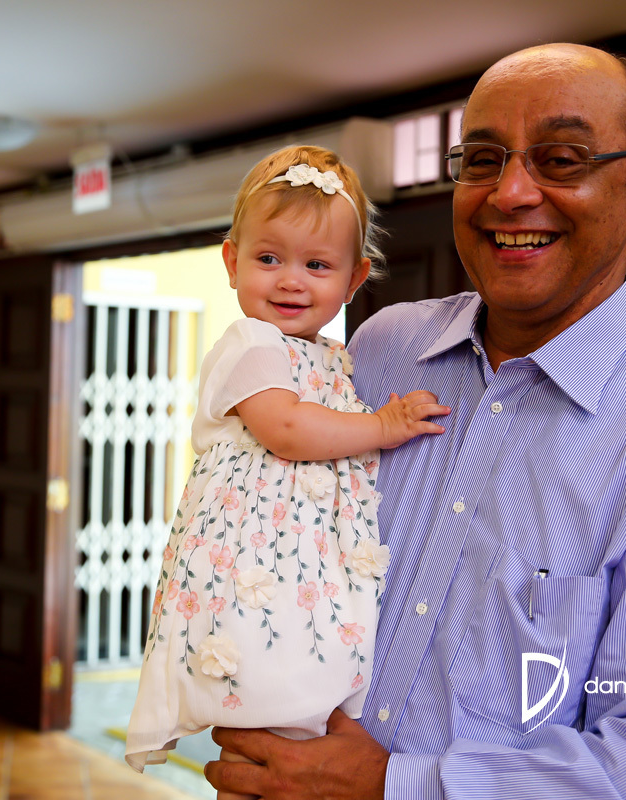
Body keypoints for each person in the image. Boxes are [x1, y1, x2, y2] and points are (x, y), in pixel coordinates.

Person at [204, 43, 626, 800]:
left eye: (561, 159)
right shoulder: (380, 352)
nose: (510, 193)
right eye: (482, 160)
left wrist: (395, 786)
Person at [124, 145, 449, 788]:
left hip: (304, 563)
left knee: (297, 724)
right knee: (258, 716)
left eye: (317, 264)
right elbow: (289, 429)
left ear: (354, 280)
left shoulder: (333, 355)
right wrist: (384, 426)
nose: (290, 280)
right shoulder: (250, 343)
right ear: (231, 262)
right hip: (253, 562)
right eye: (268, 258)